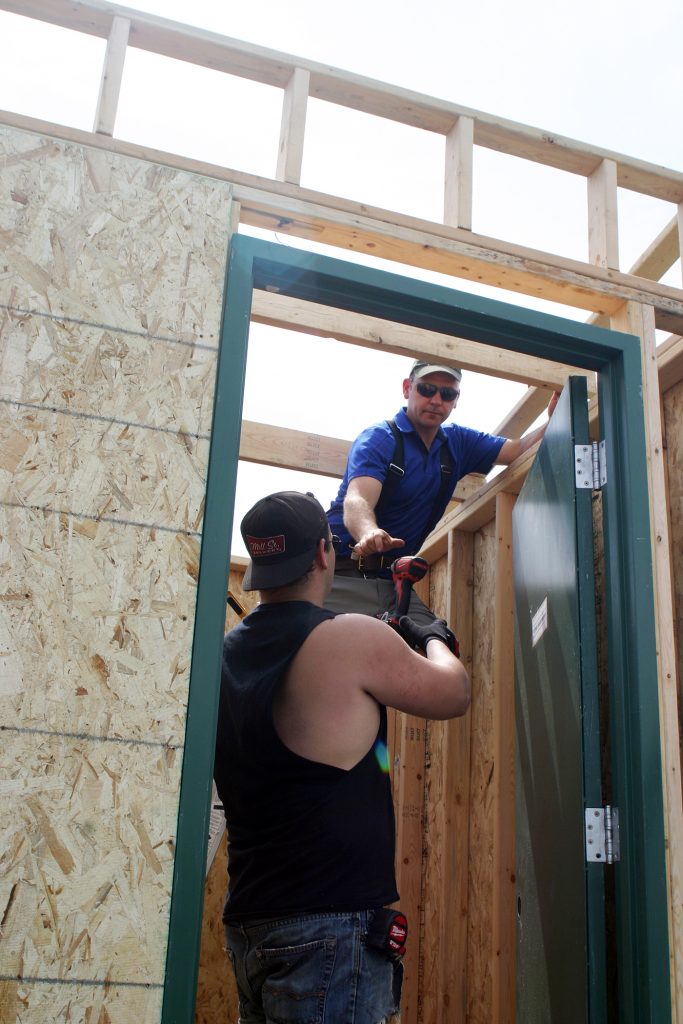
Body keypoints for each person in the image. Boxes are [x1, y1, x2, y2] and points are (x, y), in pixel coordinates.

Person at [214, 490, 471, 1024]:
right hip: (328, 935)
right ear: (323, 554)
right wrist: (431, 635)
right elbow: (453, 694)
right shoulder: (350, 638)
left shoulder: (223, 652)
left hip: (252, 924)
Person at [325, 359, 559, 622]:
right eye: (427, 389)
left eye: (447, 394)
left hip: (393, 582)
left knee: (438, 647)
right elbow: (357, 498)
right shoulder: (381, 438)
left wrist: (554, 420)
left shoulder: (456, 443)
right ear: (407, 388)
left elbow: (517, 450)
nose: (437, 400)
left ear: (456, 400)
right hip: (342, 573)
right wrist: (368, 532)